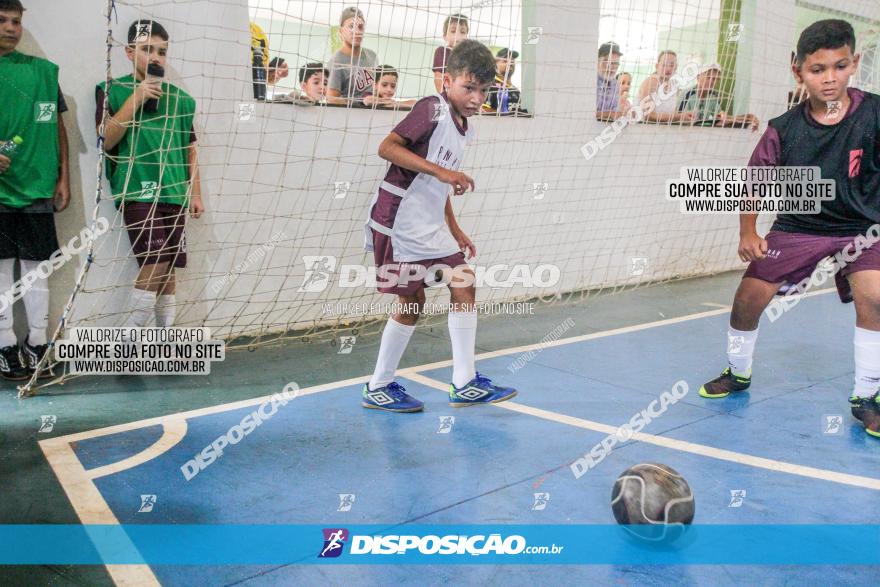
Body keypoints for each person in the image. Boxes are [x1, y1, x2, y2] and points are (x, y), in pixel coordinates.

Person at [697, 19, 880, 439]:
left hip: (865, 225)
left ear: (854, 64)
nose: (829, 78)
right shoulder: (784, 127)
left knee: (874, 296)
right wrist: (748, 232)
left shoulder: (875, 112)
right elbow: (755, 179)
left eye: (839, 66)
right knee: (748, 298)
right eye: (818, 69)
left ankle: (866, 396)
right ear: (797, 71)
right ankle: (737, 373)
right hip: (801, 223)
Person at [361, 39, 517, 412]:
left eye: (484, 90)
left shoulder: (465, 128)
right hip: (398, 221)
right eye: (469, 87)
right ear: (446, 82)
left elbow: (435, 185)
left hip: (427, 222)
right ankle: (379, 385)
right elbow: (388, 147)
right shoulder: (432, 109)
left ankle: (463, 382)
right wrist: (445, 172)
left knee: (463, 283)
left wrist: (455, 228)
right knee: (411, 300)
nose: (477, 97)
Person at [96, 20, 204, 329]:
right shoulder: (112, 90)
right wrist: (138, 97)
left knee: (168, 268)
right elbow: (106, 139)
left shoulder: (182, 100)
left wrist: (195, 193)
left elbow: (190, 150)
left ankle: (164, 339)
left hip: (174, 192)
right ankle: (129, 342)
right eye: (147, 50)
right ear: (130, 53)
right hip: (137, 191)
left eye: (162, 51)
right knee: (154, 261)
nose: (156, 57)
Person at [0, 0, 70, 380]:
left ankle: (38, 342)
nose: (11, 27)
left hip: (38, 187)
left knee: (36, 270)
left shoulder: (42, 73)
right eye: (2, 21)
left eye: (16, 21)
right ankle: (5, 345)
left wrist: (64, 177)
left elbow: (57, 125)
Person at [677, 63, 759, 130]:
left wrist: (747, 117)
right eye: (708, 77)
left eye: (715, 79)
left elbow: (721, 118)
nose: (712, 82)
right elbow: (676, 119)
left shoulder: (713, 95)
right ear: (698, 77)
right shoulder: (687, 94)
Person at [327, 6, 377, 104]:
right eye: (351, 26)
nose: (357, 31)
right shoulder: (336, 61)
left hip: (375, 114)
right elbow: (331, 99)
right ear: (341, 31)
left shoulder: (372, 56)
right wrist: (359, 104)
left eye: (360, 27)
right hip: (349, 116)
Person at [637, 50, 694, 124]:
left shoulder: (674, 86)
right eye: (664, 65)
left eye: (671, 65)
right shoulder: (650, 82)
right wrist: (679, 117)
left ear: (676, 67)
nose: (668, 69)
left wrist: (685, 118)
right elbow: (647, 116)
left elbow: (669, 115)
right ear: (657, 66)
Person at [484, 48, 528, 114]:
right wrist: (506, 116)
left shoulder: (516, 90)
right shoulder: (490, 86)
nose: (510, 63)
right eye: (505, 61)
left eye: (512, 61)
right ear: (495, 64)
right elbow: (484, 110)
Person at [432, 13, 468, 93]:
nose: (458, 35)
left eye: (462, 32)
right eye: (453, 31)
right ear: (445, 36)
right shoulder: (442, 51)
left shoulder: (469, 55)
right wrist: (444, 98)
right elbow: (438, 78)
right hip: (448, 96)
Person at [596, 42, 629, 121]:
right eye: (607, 62)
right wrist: (609, 114)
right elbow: (584, 113)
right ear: (597, 61)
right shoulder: (590, 81)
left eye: (616, 63)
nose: (611, 67)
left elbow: (616, 112)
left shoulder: (615, 85)